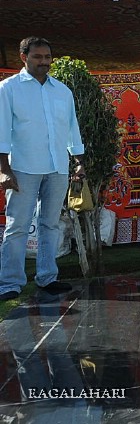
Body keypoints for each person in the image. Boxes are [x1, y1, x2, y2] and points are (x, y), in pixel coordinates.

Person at [0, 37, 85, 301]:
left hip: (58, 167)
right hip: (23, 167)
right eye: (38, 57)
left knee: (50, 224)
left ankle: (48, 278)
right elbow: (1, 130)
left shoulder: (62, 91)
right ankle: (9, 284)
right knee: (18, 226)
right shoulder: (8, 89)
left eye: (48, 57)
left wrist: (79, 162)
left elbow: (72, 128)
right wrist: (3, 169)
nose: (44, 62)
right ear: (23, 57)